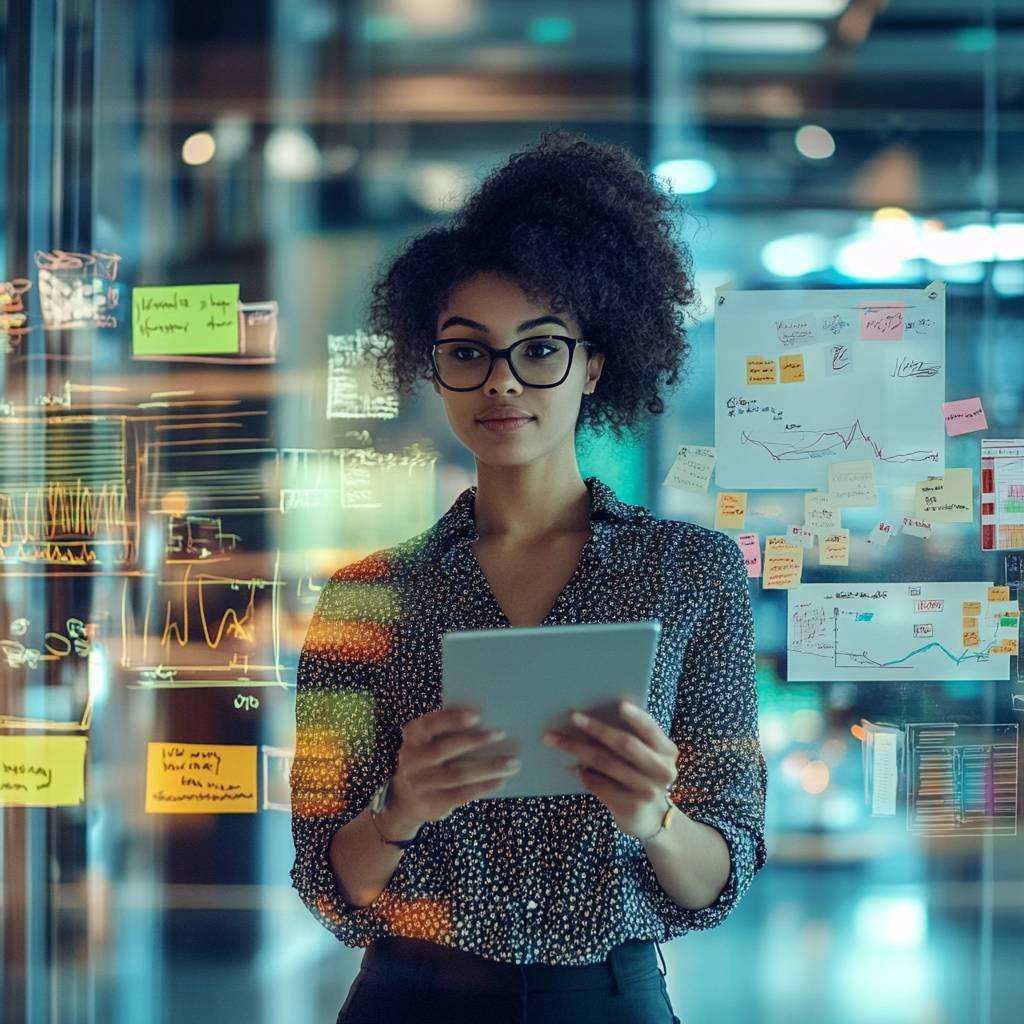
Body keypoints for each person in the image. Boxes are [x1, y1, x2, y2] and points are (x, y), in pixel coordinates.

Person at [290, 129, 767, 1024]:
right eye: (467, 351)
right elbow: (327, 877)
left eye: (539, 348)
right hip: (410, 994)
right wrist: (402, 805)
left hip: (607, 997)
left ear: (593, 362)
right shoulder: (363, 594)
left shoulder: (691, 573)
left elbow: (723, 869)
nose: (502, 382)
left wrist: (654, 817)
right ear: (432, 370)